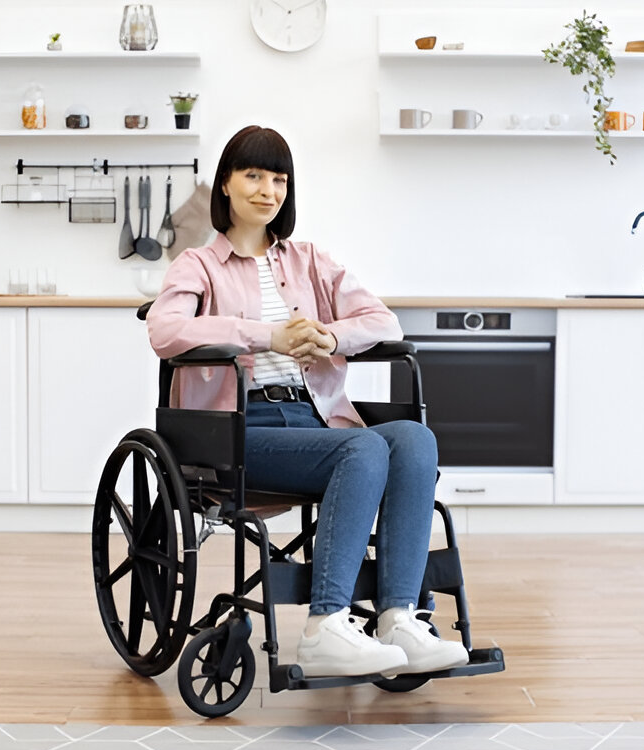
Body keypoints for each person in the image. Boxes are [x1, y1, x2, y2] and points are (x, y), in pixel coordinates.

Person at [145, 125, 467, 678]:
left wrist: (330, 338)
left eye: (278, 179)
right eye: (253, 175)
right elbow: (165, 331)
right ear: (225, 184)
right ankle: (326, 627)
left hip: (315, 418)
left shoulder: (310, 260)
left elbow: (382, 320)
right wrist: (266, 335)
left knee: (413, 438)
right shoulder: (197, 265)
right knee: (362, 450)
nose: (268, 190)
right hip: (239, 429)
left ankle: (398, 618)